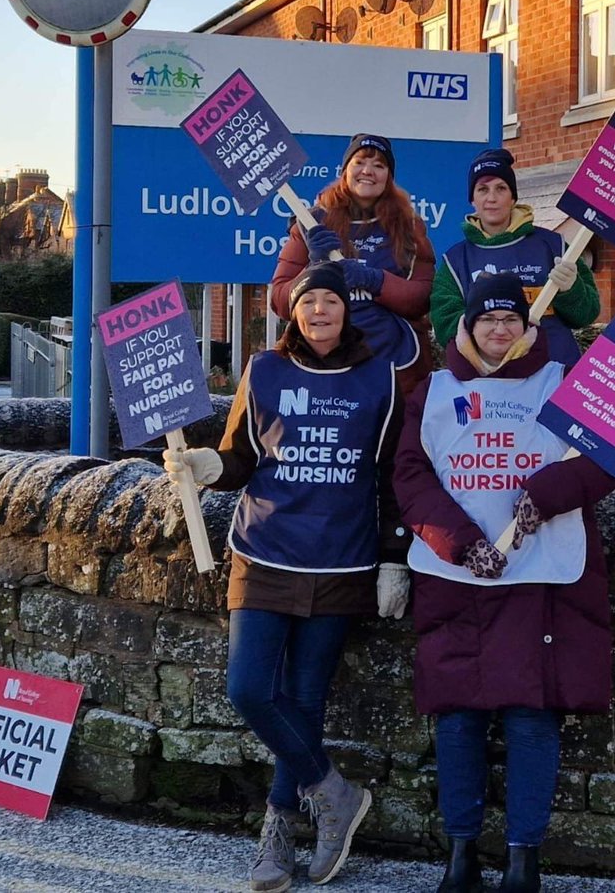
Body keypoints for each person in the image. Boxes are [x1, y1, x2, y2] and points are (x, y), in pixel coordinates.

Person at [164, 261, 410, 893]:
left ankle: (279, 827)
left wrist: (392, 559)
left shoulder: (380, 379)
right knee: (250, 689)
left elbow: (389, 479)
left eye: (330, 301)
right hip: (263, 551)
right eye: (309, 303)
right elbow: (241, 458)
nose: (320, 311)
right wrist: (203, 464)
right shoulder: (265, 371)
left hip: (342, 559)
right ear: (293, 313)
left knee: (304, 699)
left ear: (345, 310)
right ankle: (332, 791)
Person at [393, 273, 615, 893]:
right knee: (458, 716)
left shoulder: (564, 385)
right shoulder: (433, 393)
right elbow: (411, 477)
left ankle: (524, 858)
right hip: (456, 577)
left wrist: (544, 498)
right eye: (487, 320)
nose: (500, 330)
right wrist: (462, 544)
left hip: (540, 573)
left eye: (511, 320)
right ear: (465, 328)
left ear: (528, 327)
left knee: (531, 715)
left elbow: (606, 458)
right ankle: (460, 853)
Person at [271, 133, 435, 396]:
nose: (368, 171)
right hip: (323, 364)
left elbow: (422, 299)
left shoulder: (409, 227)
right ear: (345, 169)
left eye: (379, 165)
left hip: (393, 367)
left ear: (389, 176)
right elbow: (279, 300)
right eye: (360, 162)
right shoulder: (311, 223)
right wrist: (313, 269)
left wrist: (375, 280)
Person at [430, 148, 601, 368]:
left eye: (501, 188)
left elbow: (587, 314)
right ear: (472, 199)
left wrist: (571, 290)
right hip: (493, 384)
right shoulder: (455, 261)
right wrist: (495, 336)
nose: (491, 198)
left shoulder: (553, 245)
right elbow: (445, 324)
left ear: (513, 197)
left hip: (556, 375)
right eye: (482, 189)